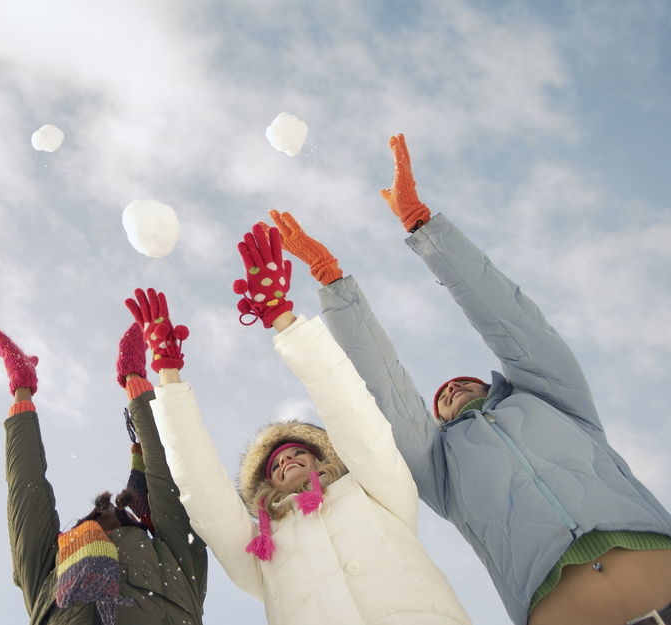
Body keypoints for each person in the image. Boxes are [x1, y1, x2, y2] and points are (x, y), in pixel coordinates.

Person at [266, 133, 671, 625]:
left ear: (491, 386)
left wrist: (424, 226)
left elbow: (512, 318)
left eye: (461, 383)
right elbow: (385, 388)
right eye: (441, 398)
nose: (450, 389)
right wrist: (333, 283)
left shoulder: (554, 401)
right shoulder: (438, 467)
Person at [126, 231, 472, 625]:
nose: (287, 459)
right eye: (276, 464)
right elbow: (203, 492)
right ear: (266, 485)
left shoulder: (377, 492)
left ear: (323, 458)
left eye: (296, 453)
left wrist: (282, 317)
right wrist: (167, 371)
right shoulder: (261, 548)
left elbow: (351, 412)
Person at [0, 322, 207, 625]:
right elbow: (25, 491)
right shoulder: (54, 564)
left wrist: (135, 380)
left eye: (113, 511)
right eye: (101, 513)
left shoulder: (171, 554)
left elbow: (166, 475)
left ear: (143, 521)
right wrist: (22, 386)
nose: (107, 512)